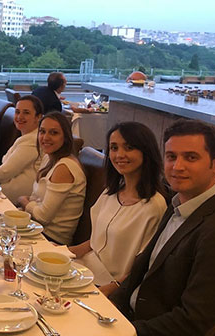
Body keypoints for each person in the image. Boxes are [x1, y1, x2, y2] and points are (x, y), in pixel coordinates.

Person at [110, 120, 215, 336]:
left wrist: (124, 333)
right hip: (137, 330)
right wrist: (107, 309)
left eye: (191, 157)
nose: (177, 166)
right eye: (171, 156)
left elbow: (194, 323)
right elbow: (142, 272)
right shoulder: (180, 203)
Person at [68, 122, 167, 295]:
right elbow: (95, 243)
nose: (119, 155)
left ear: (146, 151)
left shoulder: (154, 206)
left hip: (110, 287)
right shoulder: (111, 192)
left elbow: (142, 267)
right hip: (83, 272)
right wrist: (63, 252)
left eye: (129, 148)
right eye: (114, 148)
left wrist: (105, 292)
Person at [17, 112, 86, 244]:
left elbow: (43, 217)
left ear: (66, 137)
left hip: (51, 238)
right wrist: (28, 204)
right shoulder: (49, 158)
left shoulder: (64, 167)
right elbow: (36, 199)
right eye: (42, 131)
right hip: (35, 227)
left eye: (54, 133)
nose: (45, 137)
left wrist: (24, 202)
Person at [0, 95, 43, 204]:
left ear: (38, 117)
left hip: (18, 198)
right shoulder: (27, 137)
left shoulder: (32, 140)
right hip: (9, 191)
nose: (20, 117)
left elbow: (5, 172)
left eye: (26, 113)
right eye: (17, 112)